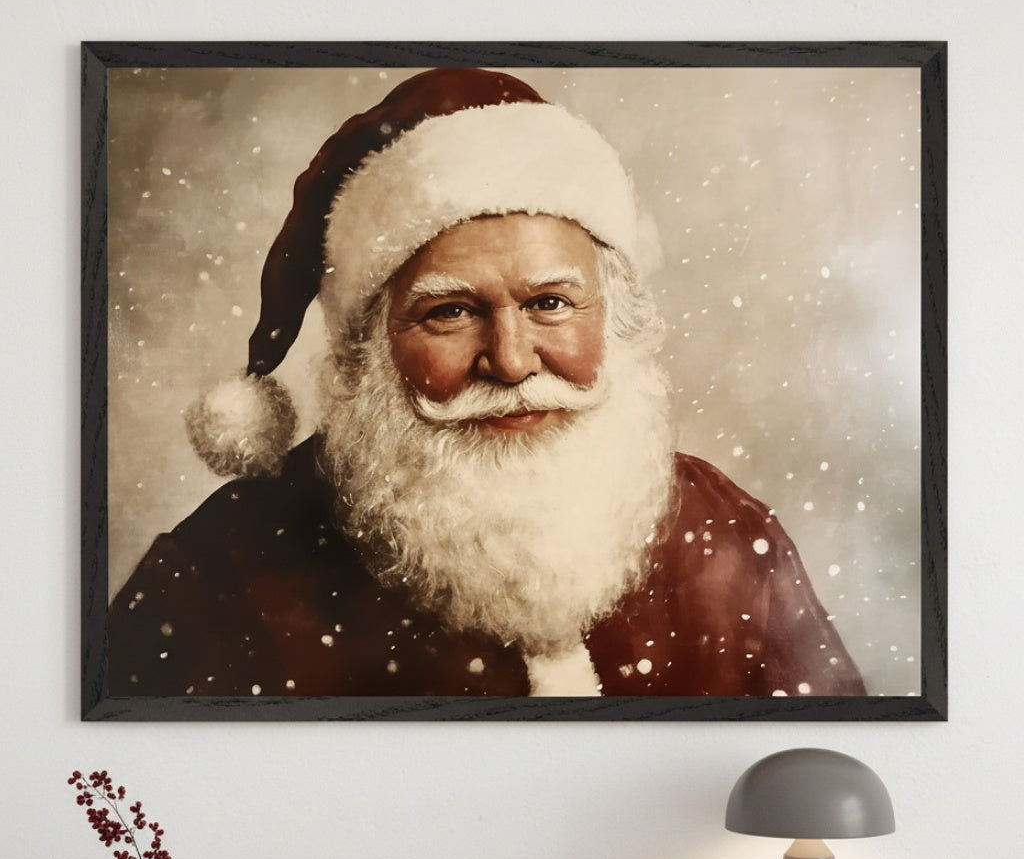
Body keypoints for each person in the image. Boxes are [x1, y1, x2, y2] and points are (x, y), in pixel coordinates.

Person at [108, 67, 865, 699]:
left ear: (615, 318)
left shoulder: (726, 534)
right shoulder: (215, 578)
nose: (509, 361)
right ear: (366, 347)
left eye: (550, 303)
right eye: (450, 312)